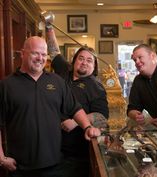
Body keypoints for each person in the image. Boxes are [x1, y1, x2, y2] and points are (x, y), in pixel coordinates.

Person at [0, 36, 101, 177]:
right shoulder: (6, 85)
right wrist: (1, 158)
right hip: (19, 168)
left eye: (43, 54)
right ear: (22, 53)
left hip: (55, 166)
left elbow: (75, 108)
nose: (40, 58)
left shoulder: (57, 81)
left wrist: (87, 127)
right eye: (35, 53)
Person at [45, 25, 109, 177]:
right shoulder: (64, 71)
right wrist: (48, 27)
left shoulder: (97, 87)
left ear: (94, 67)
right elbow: (54, 51)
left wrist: (77, 121)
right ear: (74, 61)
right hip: (50, 148)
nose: (84, 62)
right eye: (81, 58)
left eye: (89, 60)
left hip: (76, 154)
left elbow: (102, 117)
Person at [127, 44, 157, 126]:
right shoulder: (138, 81)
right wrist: (136, 115)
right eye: (135, 60)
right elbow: (131, 109)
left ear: (152, 56)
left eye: (140, 57)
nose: (137, 62)